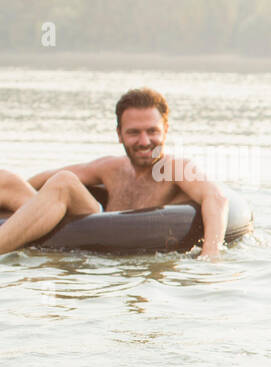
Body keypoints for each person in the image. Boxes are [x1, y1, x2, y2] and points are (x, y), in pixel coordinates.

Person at [0, 87, 229, 259]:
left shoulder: (175, 169)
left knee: (64, 183)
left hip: (126, 254)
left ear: (165, 130)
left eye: (152, 131)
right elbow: (41, 180)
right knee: (6, 179)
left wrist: (210, 253)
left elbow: (216, 198)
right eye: (134, 132)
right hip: (86, 229)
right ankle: (17, 230)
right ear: (119, 134)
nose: (144, 141)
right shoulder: (112, 167)